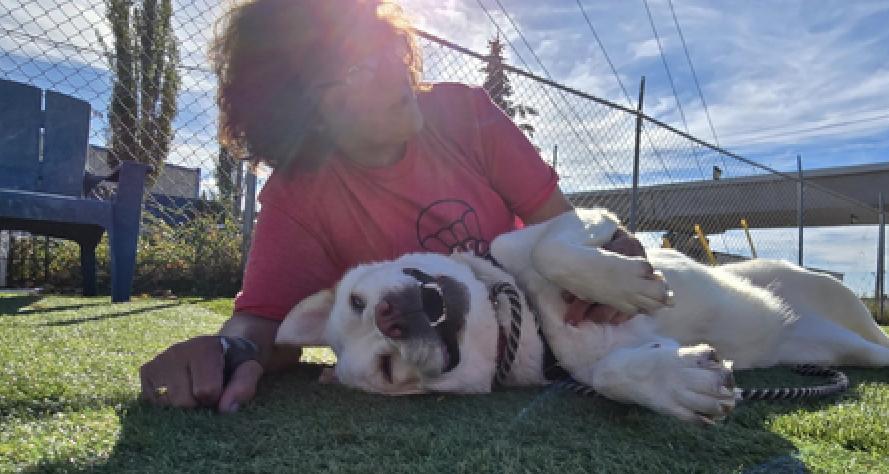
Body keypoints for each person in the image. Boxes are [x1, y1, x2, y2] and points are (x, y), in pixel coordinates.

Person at [139, 0, 656, 413]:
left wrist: (611, 253)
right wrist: (231, 352)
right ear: (303, 111)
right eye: (357, 66)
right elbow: (261, 322)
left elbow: (561, 226)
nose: (391, 68)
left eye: (381, 41)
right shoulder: (300, 196)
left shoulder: (465, 112)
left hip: (546, 334)